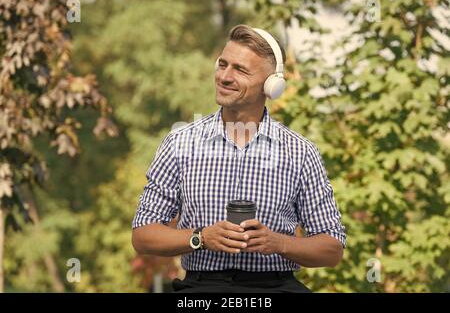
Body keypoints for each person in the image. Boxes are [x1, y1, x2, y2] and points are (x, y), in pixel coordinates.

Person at [132, 24, 346, 293]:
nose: (224, 76)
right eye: (222, 65)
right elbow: (142, 235)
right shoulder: (179, 143)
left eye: (240, 70)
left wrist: (278, 243)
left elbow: (332, 249)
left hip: (277, 287)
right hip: (203, 288)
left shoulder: (301, 152)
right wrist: (200, 237)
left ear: (271, 86)